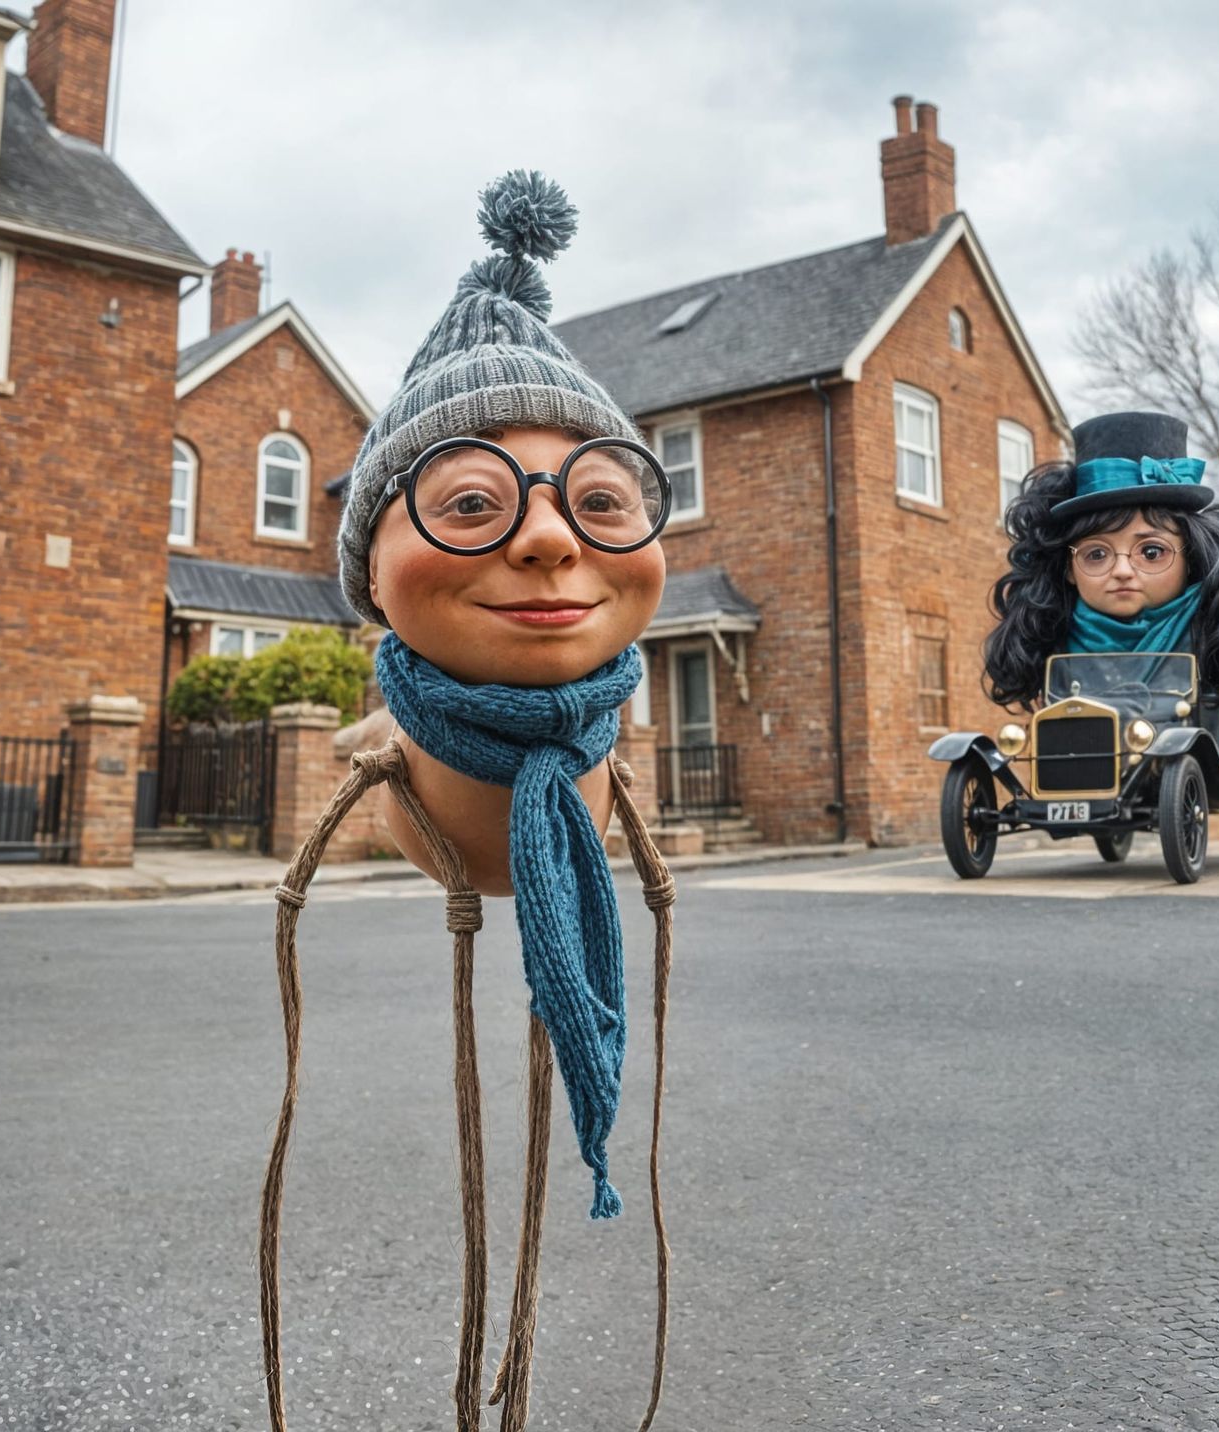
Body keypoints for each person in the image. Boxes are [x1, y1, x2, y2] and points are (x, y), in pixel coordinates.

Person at [261, 171, 675, 1432]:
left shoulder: (608, 704)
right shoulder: (385, 759)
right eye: (471, 503)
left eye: (599, 499)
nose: (552, 540)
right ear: (372, 576)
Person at [985, 410, 1219, 772]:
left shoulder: (1217, 627)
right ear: (1068, 569)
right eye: (1096, 554)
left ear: (1192, 558)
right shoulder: (1051, 632)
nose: (1122, 570)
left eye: (1152, 552)